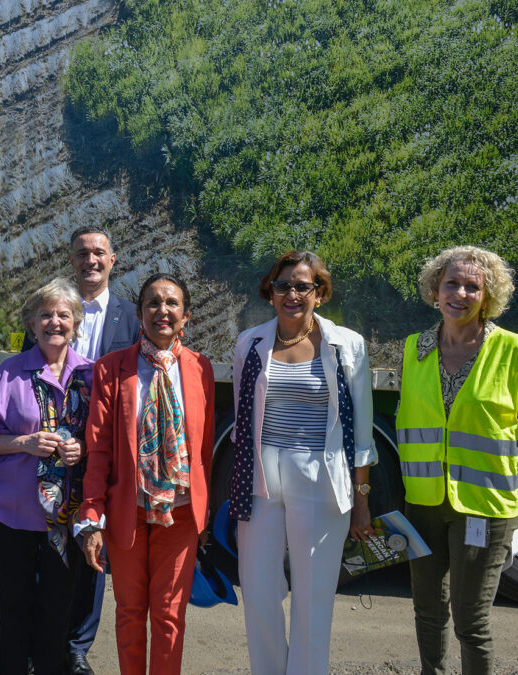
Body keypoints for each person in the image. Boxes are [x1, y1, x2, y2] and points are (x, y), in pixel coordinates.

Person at [397, 246, 518, 675]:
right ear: (434, 289)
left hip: (485, 505)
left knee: (471, 620)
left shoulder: (517, 352)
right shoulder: (414, 350)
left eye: (472, 286)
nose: (460, 293)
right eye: (451, 284)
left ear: (488, 295)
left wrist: (496, 477)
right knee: (427, 611)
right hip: (424, 502)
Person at [228, 250, 376, 675]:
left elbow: (362, 434)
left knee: (313, 597)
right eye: (282, 285)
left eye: (302, 286)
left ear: (320, 293)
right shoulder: (250, 342)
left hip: (319, 474)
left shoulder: (346, 344)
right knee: (258, 591)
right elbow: (243, 422)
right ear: (270, 292)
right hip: (259, 475)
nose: (291, 293)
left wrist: (361, 501)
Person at [78, 272, 214, 675]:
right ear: (139, 314)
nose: (162, 311)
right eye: (153, 303)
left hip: (181, 513)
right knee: (130, 612)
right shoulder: (111, 369)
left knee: (170, 617)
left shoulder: (200, 368)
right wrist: (90, 514)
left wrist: (202, 511)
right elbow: (98, 449)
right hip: (128, 510)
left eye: (172, 303)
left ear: (186, 316)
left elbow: (203, 448)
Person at [22, 225, 139, 675]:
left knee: (93, 546)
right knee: (46, 545)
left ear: (113, 260)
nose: (90, 260)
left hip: (104, 452)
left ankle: (76, 646)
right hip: (52, 453)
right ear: (71, 260)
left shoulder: (131, 318)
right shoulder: (53, 309)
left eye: (99, 253)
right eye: (82, 253)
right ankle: (41, 641)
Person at [0, 278, 92, 674]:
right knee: (15, 603)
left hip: (66, 517)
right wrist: (24, 442)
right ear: (32, 324)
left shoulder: (91, 376)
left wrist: (82, 448)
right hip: (14, 511)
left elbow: (105, 440)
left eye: (63, 315)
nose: (55, 322)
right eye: (45, 315)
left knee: (58, 605)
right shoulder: (10, 373)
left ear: (76, 322)